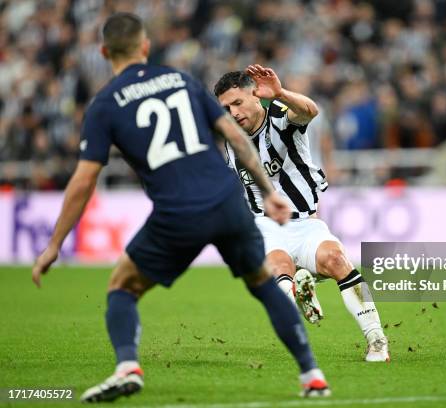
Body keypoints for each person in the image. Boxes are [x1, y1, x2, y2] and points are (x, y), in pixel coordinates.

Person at [31, 13, 330, 403]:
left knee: (122, 285)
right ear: (145, 47)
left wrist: (55, 244)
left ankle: (127, 367)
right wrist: (267, 190)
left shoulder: (104, 105)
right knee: (263, 283)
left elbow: (84, 180)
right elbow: (236, 139)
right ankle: (312, 375)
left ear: (104, 52)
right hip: (226, 201)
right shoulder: (182, 81)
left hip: (176, 212)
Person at [214, 67, 389, 362]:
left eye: (237, 103)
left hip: (305, 222)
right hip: (263, 225)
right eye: (226, 108)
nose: (233, 112)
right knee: (281, 271)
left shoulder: (281, 115)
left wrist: (280, 94)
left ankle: (376, 339)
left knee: (337, 261)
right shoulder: (229, 136)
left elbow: (309, 111)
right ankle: (297, 291)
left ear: (255, 95)